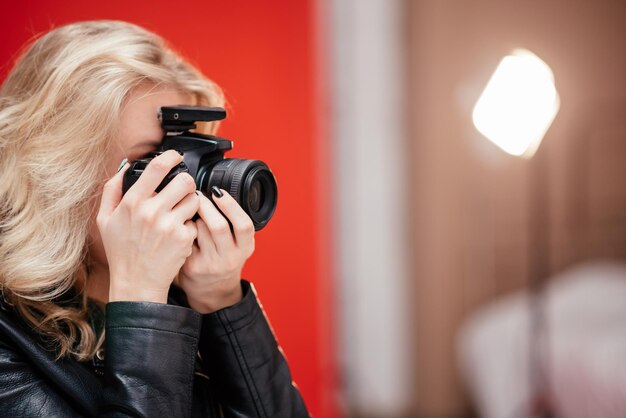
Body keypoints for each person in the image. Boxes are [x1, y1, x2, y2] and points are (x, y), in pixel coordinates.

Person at [0, 20, 309, 417]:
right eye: (152, 162)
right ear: (56, 173)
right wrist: (142, 303)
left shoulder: (181, 296)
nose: (186, 184)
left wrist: (220, 298)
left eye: (188, 153)